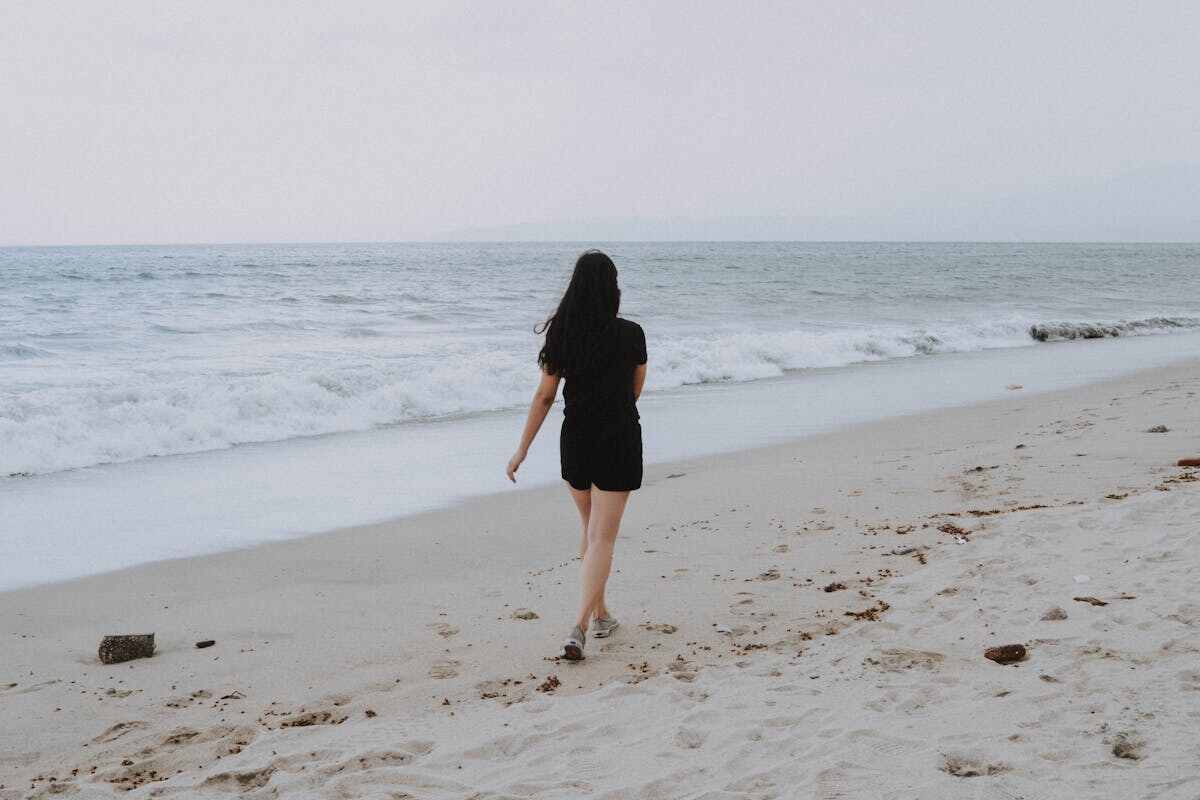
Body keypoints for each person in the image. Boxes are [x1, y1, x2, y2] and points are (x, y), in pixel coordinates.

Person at [506, 250, 647, 660]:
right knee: (602, 537)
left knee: (590, 531)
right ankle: (580, 625)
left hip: (577, 439)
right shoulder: (632, 334)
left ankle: (602, 614)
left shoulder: (561, 334)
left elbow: (546, 395)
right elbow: (635, 389)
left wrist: (522, 450)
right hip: (618, 436)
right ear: (613, 288)